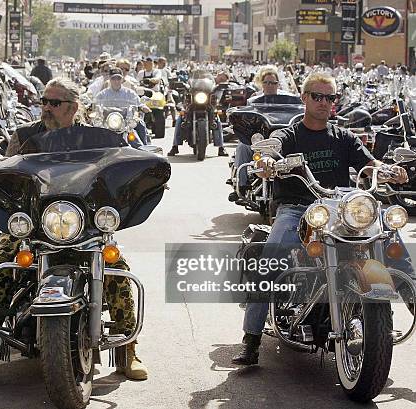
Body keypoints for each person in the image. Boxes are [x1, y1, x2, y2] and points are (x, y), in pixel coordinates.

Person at [0, 77, 148, 387]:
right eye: (44, 101)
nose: (46, 107)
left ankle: (128, 349)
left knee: (116, 266)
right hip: (34, 225)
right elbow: (8, 174)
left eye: (54, 103)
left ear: (73, 107)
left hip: (83, 223)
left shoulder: (95, 137)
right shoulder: (26, 136)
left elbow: (120, 165)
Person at [232, 72, 415, 366]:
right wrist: (266, 161)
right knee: (271, 258)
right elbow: (273, 146)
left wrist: (389, 170)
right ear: (304, 98)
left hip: (340, 206)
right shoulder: (290, 134)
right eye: (317, 96)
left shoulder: (343, 136)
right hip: (297, 206)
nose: (324, 103)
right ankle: (251, 338)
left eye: (330, 98)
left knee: (389, 234)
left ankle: (411, 296)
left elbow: (369, 162)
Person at [228, 65, 286, 202]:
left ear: (278, 84)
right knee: (243, 146)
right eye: (266, 82)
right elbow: (247, 115)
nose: (269, 85)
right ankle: (241, 186)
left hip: (279, 138)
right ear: (261, 83)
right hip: (259, 138)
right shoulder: (255, 98)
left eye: (273, 83)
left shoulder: (286, 99)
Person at [168, 71, 228, 157]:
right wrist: (183, 85)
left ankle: (221, 147)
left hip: (208, 105)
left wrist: (218, 88)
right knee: (180, 120)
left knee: (216, 121)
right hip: (193, 104)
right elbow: (186, 91)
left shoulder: (213, 86)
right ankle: (175, 146)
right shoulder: (194, 85)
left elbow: (217, 98)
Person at [95, 67, 150, 145]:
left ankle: (144, 148)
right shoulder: (102, 94)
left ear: (122, 79)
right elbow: (94, 104)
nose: (116, 81)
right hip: (107, 124)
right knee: (93, 126)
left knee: (140, 123)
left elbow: (139, 103)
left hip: (126, 123)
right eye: (113, 78)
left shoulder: (130, 93)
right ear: (109, 79)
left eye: (118, 78)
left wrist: (143, 106)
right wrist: (89, 107)